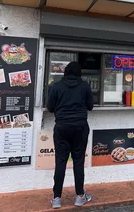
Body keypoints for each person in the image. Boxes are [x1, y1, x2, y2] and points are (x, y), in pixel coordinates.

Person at [47, 61, 94, 209]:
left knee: (60, 161)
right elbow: (90, 106)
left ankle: (56, 198)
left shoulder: (56, 86)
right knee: (78, 161)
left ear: (65, 72)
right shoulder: (85, 86)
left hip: (61, 127)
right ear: (79, 73)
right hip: (80, 127)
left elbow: (50, 107)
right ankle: (80, 196)